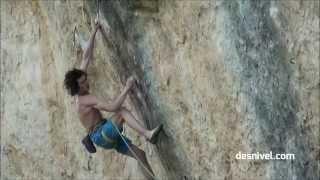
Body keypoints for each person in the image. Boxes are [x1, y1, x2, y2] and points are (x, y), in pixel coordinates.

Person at [64, 21, 162, 177]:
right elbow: (113, 107)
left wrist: (95, 31)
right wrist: (127, 88)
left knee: (140, 155)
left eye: (85, 79)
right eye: (83, 83)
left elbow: (86, 56)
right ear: (77, 87)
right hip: (101, 134)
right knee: (122, 112)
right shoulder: (85, 100)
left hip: (104, 135)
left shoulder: (79, 84)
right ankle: (148, 134)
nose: (87, 83)